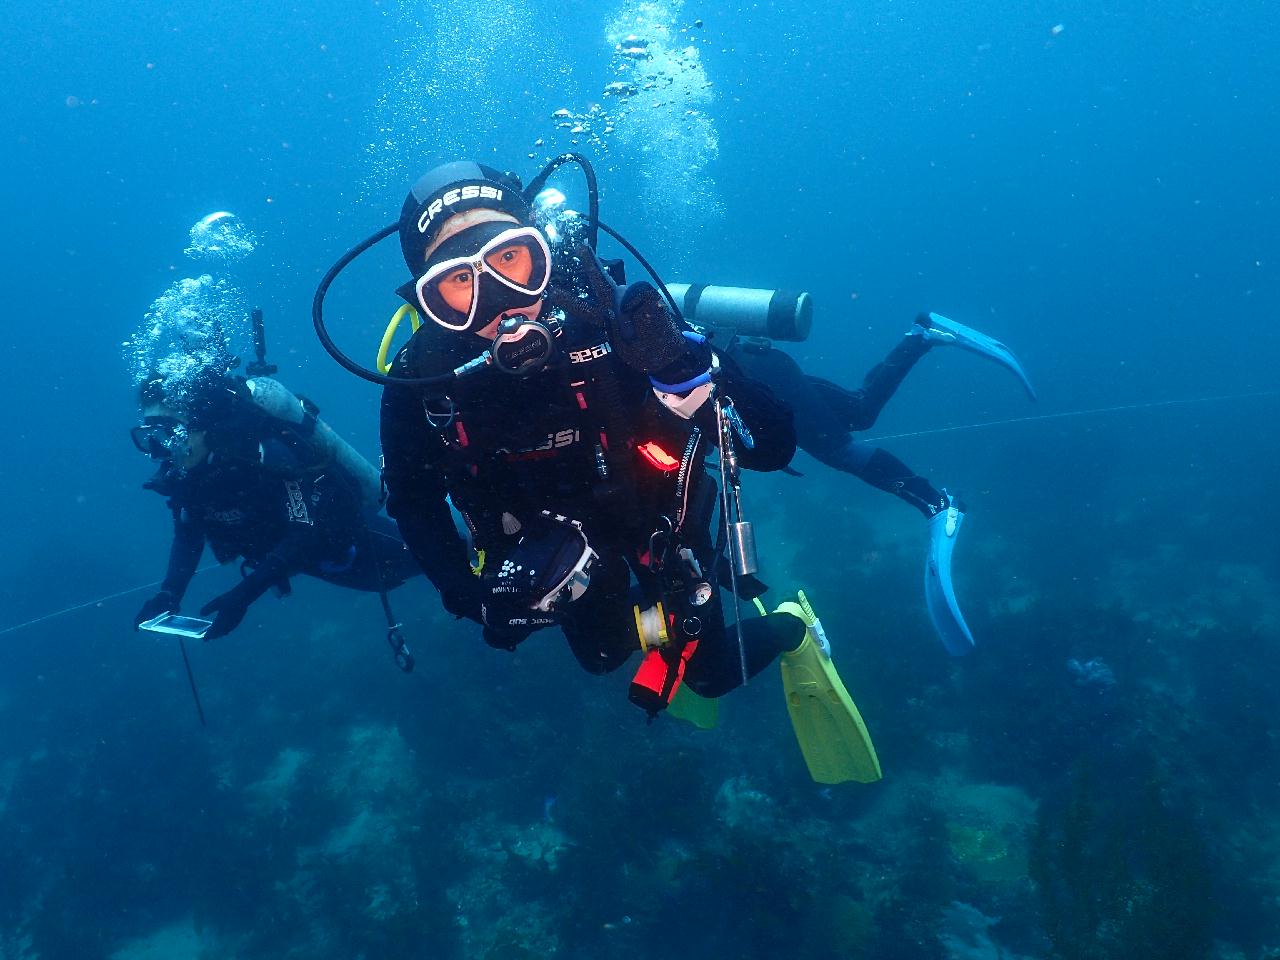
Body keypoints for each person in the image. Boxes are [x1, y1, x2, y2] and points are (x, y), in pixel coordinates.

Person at [374, 159, 880, 784]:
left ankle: (792, 629)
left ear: (543, 250)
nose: (500, 304)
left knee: (712, 673)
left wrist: (683, 362)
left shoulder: (615, 321)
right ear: (427, 297)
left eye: (510, 259)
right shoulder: (419, 383)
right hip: (554, 556)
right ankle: (660, 632)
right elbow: (414, 502)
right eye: (458, 281)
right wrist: (471, 598)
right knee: (602, 656)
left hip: (656, 519)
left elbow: (770, 447)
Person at [728, 313, 1035, 655]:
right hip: (762, 367)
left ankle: (937, 503)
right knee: (859, 411)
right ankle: (923, 334)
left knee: (840, 450)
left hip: (758, 378)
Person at [131, 370, 422, 655]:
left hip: (356, 543)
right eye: (150, 435)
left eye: (168, 431)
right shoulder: (186, 477)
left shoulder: (263, 456)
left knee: (444, 555)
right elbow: (187, 536)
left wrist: (245, 594)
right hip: (319, 565)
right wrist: (169, 594)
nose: (161, 448)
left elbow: (303, 530)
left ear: (201, 424)